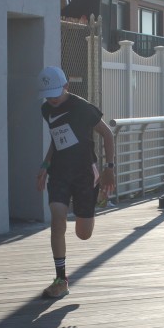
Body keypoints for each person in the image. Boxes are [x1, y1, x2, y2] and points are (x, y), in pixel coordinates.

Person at [36, 66, 116, 298]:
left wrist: (109, 168)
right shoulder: (46, 109)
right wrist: (45, 165)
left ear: (66, 86)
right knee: (57, 220)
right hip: (60, 172)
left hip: (84, 174)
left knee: (83, 234)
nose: (52, 99)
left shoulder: (82, 108)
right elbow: (56, 139)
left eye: (55, 93)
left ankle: (96, 197)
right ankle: (61, 280)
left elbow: (107, 134)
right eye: (47, 95)